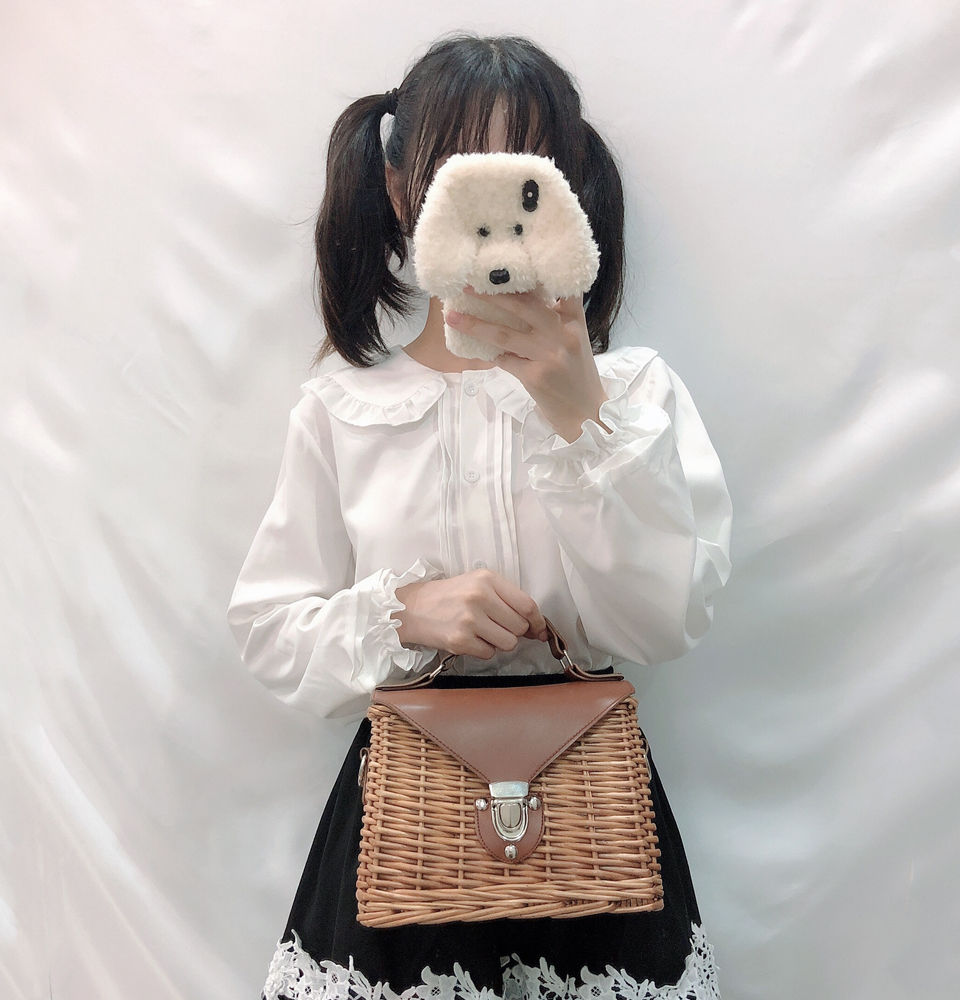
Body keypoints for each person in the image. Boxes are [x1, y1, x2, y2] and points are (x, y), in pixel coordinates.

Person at [227, 31, 733, 1000]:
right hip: (402, 814)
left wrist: (582, 419)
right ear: (399, 189)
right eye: (459, 171)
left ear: (568, 192)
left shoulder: (634, 396)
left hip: (595, 809)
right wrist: (401, 613)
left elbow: (665, 621)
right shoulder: (343, 405)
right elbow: (268, 628)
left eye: (526, 175)